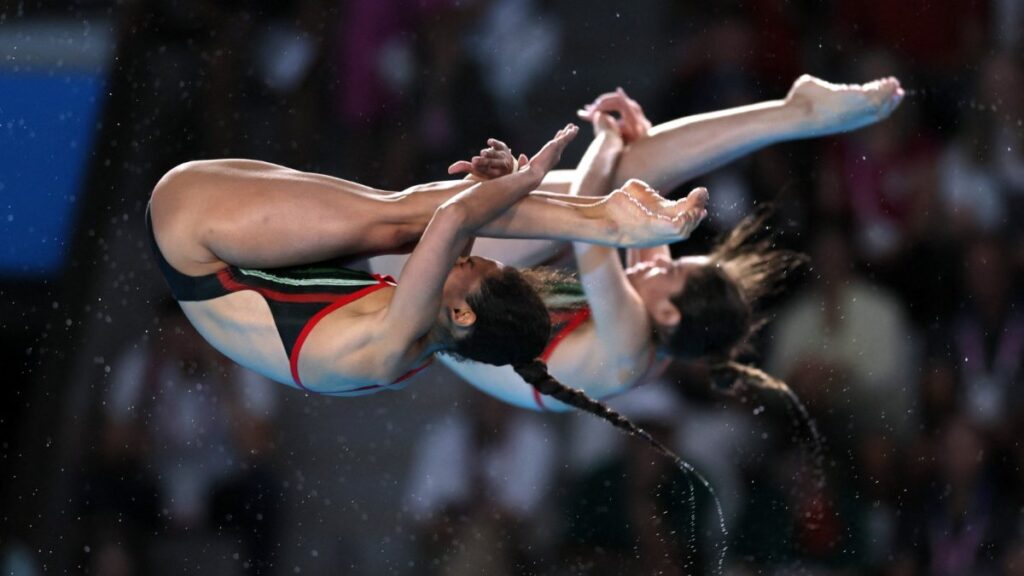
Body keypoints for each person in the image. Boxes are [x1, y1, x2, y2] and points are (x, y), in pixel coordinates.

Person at [411, 74, 905, 411]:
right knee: (635, 172)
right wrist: (639, 140)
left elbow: (591, 211)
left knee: (610, 185)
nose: (656, 265)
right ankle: (797, 113)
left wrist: (606, 138)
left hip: (465, 324)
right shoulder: (659, 318)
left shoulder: (629, 347)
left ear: (669, 312)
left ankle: (797, 115)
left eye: (671, 271)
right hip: (497, 308)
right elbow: (639, 201)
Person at [147, 123, 706, 399]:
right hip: (216, 249)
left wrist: (528, 179)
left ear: (464, 314)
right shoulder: (432, 332)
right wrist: (500, 184)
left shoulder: (389, 346)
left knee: (400, 219)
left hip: (193, 233)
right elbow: (457, 233)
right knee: (414, 216)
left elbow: (451, 222)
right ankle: (602, 217)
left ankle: (605, 220)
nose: (469, 261)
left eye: (475, 269)